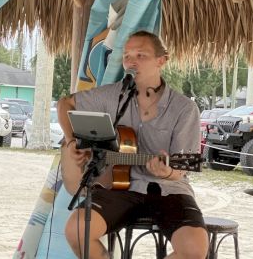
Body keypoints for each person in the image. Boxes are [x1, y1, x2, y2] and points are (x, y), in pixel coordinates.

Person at [57, 31, 208, 259]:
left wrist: (167, 171)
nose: (131, 61)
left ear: (162, 60)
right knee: (76, 231)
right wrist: (72, 141)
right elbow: (65, 103)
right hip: (117, 187)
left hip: (168, 190)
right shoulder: (112, 96)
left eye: (141, 55)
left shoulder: (184, 108)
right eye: (127, 56)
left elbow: (179, 171)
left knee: (194, 250)